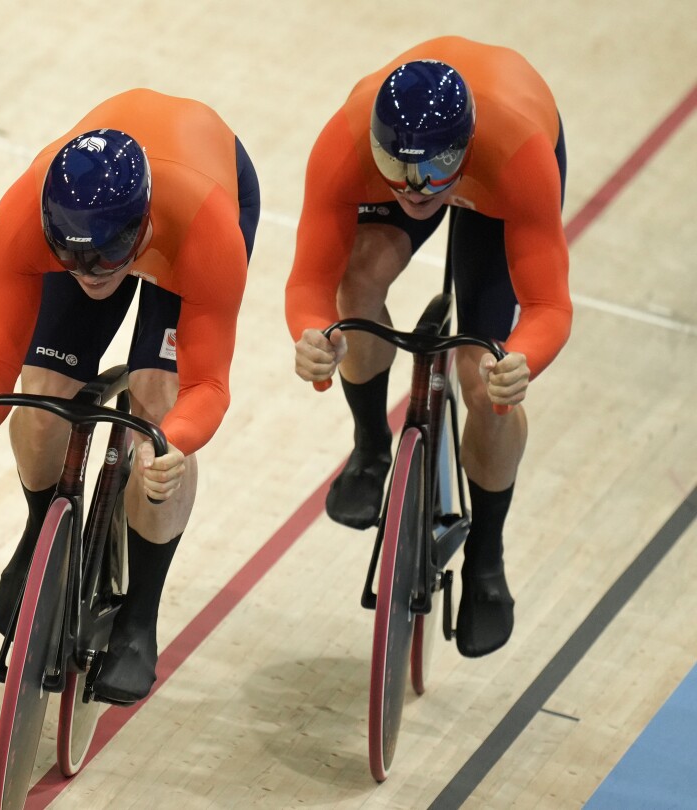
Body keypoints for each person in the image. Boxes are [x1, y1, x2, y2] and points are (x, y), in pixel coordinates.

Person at [0, 89, 258, 704]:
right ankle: (43, 533)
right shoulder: (23, 215)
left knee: (159, 404)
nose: (89, 274)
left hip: (193, 205)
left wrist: (177, 443)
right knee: (39, 395)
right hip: (113, 217)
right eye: (72, 258)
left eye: (106, 258)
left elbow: (208, 385)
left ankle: (140, 615)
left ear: (139, 226)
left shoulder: (206, 228)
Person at [285, 37, 570, 657]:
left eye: (435, 171)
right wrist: (310, 334)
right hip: (453, 163)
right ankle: (369, 447)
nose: (416, 190)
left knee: (483, 378)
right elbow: (311, 280)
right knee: (354, 285)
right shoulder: (348, 144)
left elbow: (550, 307)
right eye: (398, 171)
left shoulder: (516, 154)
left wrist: (523, 361)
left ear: (462, 149)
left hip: (496, 185)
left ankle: (487, 562)